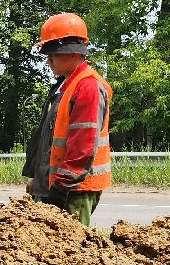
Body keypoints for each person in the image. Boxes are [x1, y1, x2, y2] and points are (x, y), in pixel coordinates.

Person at [21, 12, 113, 227]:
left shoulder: (87, 87)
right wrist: (39, 181)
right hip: (57, 187)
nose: (48, 60)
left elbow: (83, 146)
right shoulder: (65, 85)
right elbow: (50, 143)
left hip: (73, 191)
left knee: (72, 254)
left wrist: (60, 188)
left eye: (53, 54)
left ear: (73, 53)